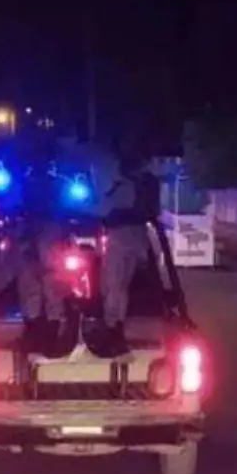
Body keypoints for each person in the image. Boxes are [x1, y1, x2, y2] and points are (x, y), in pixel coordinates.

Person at [0, 137, 75, 357]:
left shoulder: (52, 184)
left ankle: (47, 335)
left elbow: (68, 213)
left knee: (46, 286)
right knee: (34, 287)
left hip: (45, 238)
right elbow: (9, 208)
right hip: (34, 239)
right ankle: (38, 333)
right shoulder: (30, 184)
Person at [95, 138, 160, 357]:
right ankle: (115, 328)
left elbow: (105, 211)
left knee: (112, 285)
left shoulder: (126, 187)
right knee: (120, 286)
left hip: (122, 236)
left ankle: (112, 329)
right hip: (136, 236)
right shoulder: (146, 184)